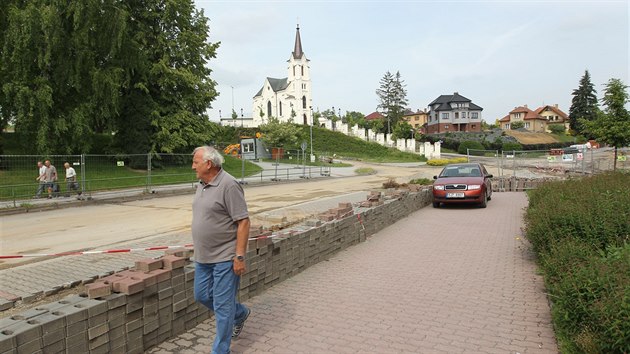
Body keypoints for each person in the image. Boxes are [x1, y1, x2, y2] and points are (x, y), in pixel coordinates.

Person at [191, 145, 251, 354]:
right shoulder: (202, 184)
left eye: (195, 162)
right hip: (202, 257)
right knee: (201, 295)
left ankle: (220, 350)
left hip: (225, 257)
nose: (193, 167)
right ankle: (240, 312)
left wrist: (239, 256)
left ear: (209, 164)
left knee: (223, 306)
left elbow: (243, 222)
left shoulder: (229, 185)